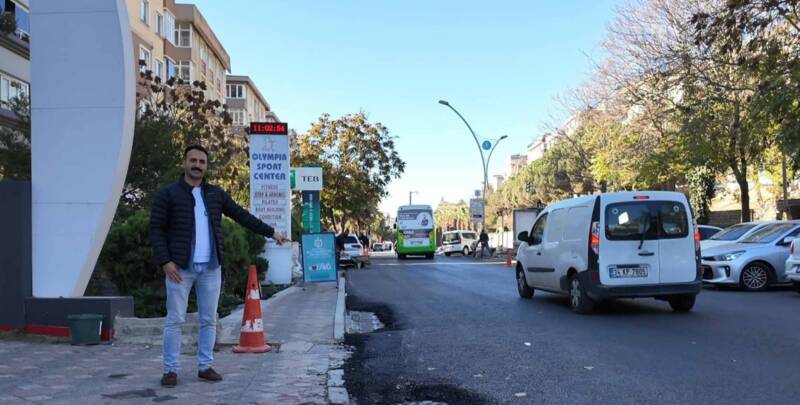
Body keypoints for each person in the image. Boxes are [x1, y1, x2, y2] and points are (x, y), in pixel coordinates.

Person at [150, 144, 288, 387]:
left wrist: (271, 232)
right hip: (180, 269)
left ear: (206, 166)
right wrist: (165, 261)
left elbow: (242, 216)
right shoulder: (169, 194)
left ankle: (205, 366)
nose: (197, 165)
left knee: (209, 319)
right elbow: (156, 230)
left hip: (211, 268)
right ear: (184, 163)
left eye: (202, 162)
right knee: (175, 319)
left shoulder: (215, 194)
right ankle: (170, 370)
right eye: (193, 160)